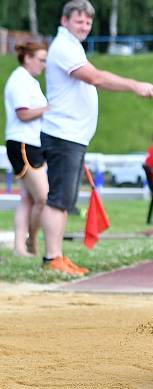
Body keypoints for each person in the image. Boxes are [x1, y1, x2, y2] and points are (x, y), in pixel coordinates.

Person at [39, 0, 153, 276]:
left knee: (64, 199)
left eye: (88, 22)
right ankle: (51, 258)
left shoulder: (72, 46)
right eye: (79, 20)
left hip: (72, 136)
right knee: (59, 199)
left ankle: (55, 255)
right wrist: (135, 86)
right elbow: (95, 78)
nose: (84, 26)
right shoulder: (63, 47)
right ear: (64, 20)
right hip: (63, 135)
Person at [4, 42, 49, 257]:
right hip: (23, 144)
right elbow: (23, 114)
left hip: (30, 143)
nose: (44, 65)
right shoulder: (20, 80)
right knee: (43, 197)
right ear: (28, 58)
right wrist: (50, 108)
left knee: (28, 198)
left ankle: (19, 247)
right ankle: (31, 241)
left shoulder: (29, 81)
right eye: (41, 60)